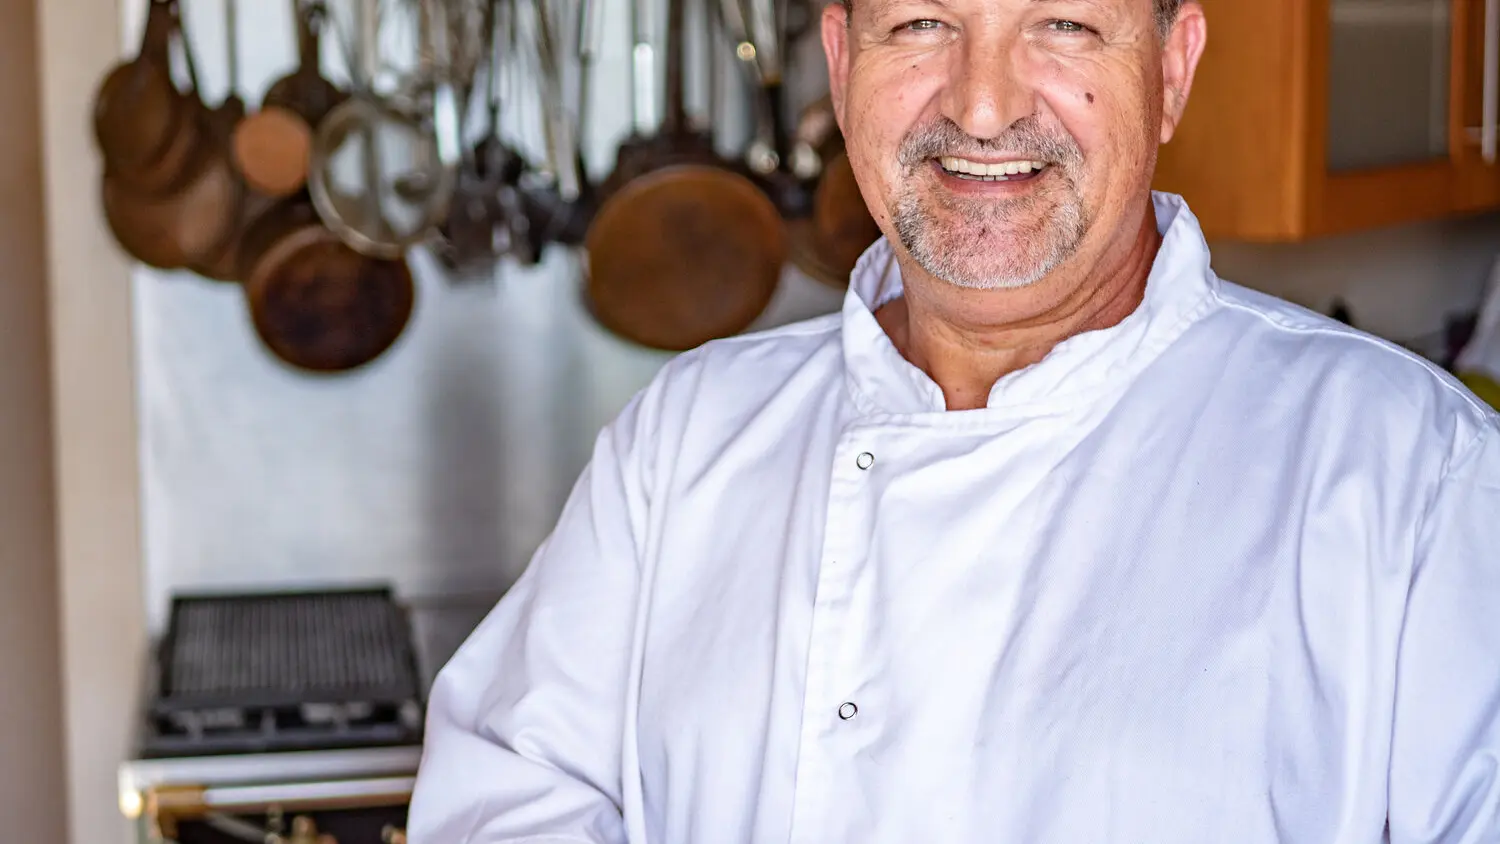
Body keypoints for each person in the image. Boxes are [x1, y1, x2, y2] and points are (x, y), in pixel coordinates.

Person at [408, 0, 1500, 839]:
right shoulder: (688, 438)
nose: (982, 107)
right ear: (842, 61)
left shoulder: (1411, 476)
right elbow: (506, 796)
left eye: (1063, 25)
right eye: (923, 24)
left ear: (1170, 68)